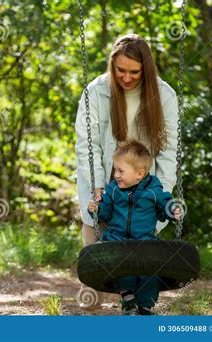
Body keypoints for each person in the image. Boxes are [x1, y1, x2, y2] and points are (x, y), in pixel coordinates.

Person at [75, 34, 179, 308]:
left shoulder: (164, 94)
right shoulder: (96, 92)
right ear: (112, 65)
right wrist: (98, 186)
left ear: (146, 69)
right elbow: (88, 145)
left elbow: (169, 152)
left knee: (138, 243)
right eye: (120, 70)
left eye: (134, 72)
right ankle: (91, 304)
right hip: (104, 174)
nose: (127, 77)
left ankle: (135, 303)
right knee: (95, 237)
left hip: (143, 181)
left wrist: (163, 196)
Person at [87, 140, 182, 315]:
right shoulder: (114, 189)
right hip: (117, 239)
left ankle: (146, 306)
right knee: (122, 265)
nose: (116, 175)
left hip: (144, 239)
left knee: (150, 270)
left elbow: (164, 206)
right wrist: (97, 209)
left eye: (121, 171)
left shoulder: (153, 190)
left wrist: (173, 210)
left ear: (139, 174)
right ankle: (127, 296)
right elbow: (105, 213)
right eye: (116, 169)